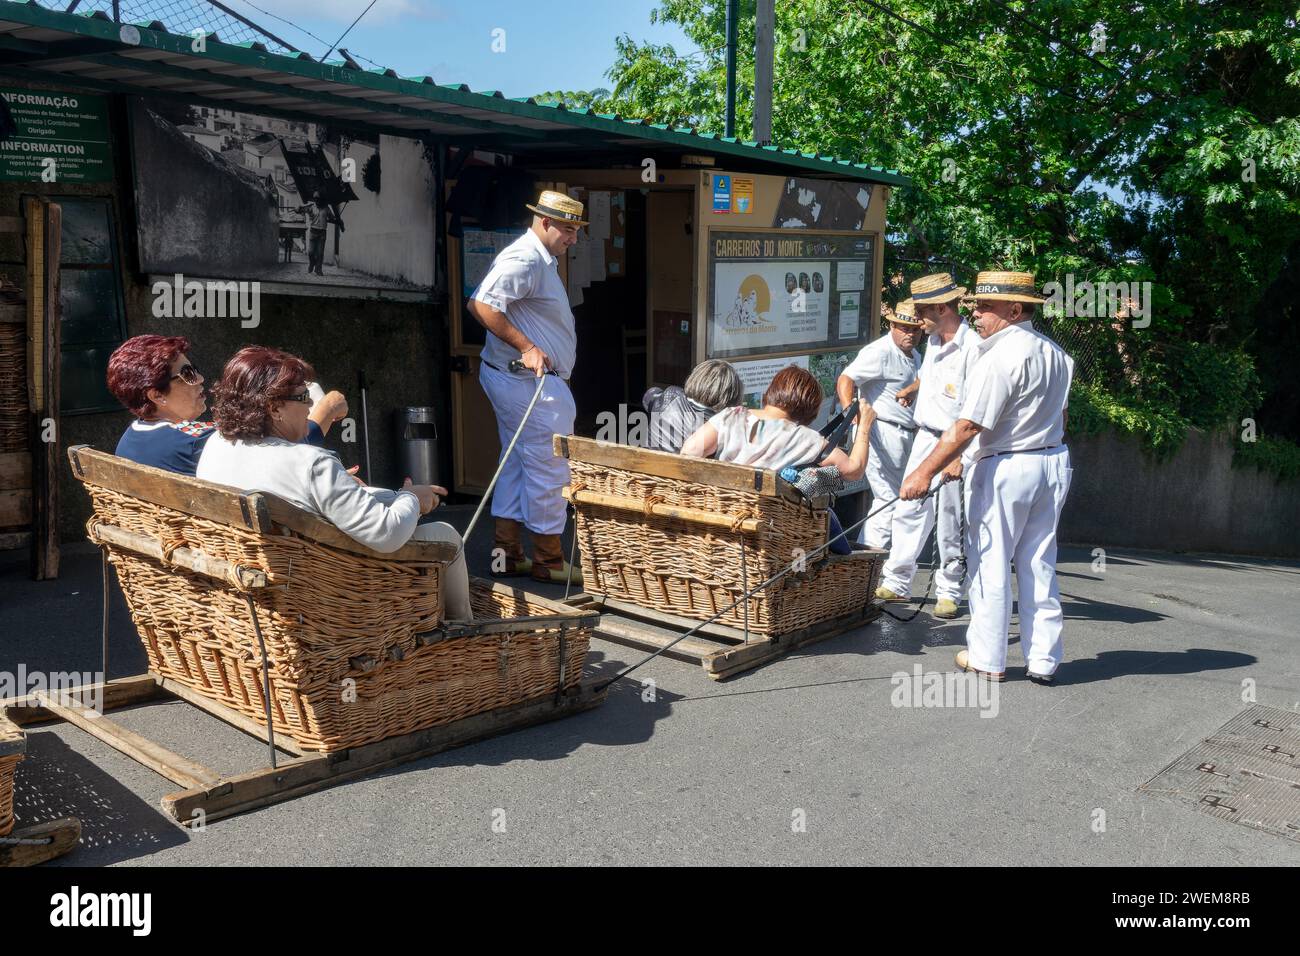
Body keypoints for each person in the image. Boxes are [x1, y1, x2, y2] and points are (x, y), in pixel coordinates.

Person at [196, 346, 473, 621]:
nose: (311, 406)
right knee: (446, 535)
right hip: (330, 586)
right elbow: (387, 534)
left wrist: (395, 496)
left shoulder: (217, 444)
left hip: (258, 579)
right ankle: (463, 631)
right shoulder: (311, 463)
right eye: (304, 397)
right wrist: (413, 499)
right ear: (274, 407)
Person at [899, 271, 1073, 684]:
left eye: (985, 306)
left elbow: (968, 426)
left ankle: (986, 657)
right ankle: (1044, 660)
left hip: (1008, 465)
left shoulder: (999, 355)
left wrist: (924, 472)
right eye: (976, 304)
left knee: (990, 562)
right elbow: (1062, 417)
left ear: (1015, 310)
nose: (975, 313)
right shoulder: (1057, 354)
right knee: (1038, 562)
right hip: (1051, 461)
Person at [466, 190, 585, 583]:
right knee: (550, 467)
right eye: (568, 229)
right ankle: (548, 561)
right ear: (545, 222)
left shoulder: (539, 259)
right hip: (527, 380)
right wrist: (529, 346)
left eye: (577, 230)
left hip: (521, 379)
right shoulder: (525, 258)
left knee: (518, 464)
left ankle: (508, 553)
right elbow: (481, 305)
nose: (573, 238)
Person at [682, 366, 874, 554]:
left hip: (719, 519)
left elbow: (689, 452)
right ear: (810, 409)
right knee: (829, 520)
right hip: (772, 536)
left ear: (771, 391)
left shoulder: (731, 416)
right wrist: (864, 425)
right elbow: (854, 470)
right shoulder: (807, 439)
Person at [876, 274, 980, 619]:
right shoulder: (933, 342)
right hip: (925, 434)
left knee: (951, 520)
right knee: (909, 508)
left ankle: (950, 590)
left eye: (921, 310)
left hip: (954, 440)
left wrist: (961, 456)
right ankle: (897, 580)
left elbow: (977, 409)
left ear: (941, 307)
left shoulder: (974, 348)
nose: (916, 318)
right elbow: (935, 378)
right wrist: (914, 389)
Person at [106, 334, 347, 475]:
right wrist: (327, 408)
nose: (201, 380)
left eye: (195, 370)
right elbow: (289, 458)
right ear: (157, 396)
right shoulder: (198, 443)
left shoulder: (129, 440)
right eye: (188, 375)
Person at [835, 299, 924, 549]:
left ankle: (877, 561)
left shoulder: (914, 355)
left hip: (904, 433)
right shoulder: (880, 351)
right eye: (904, 328)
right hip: (881, 430)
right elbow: (847, 378)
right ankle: (869, 560)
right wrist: (847, 409)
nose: (910, 333)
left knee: (899, 500)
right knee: (888, 500)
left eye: (915, 329)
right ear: (892, 326)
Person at [640, 359, 744, 454]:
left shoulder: (671, 398)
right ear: (732, 397)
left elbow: (649, 397)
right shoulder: (725, 427)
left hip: (645, 471)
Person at [296, 191, 338, 277]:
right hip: (313, 231)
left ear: (321, 199)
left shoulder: (326, 208)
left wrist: (335, 219)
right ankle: (312, 263)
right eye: (315, 199)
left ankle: (318, 269)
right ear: (314, 200)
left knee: (320, 253)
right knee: (310, 252)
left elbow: (332, 218)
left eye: (318, 199)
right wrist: (299, 208)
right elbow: (300, 210)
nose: (317, 201)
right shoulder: (311, 207)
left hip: (322, 232)